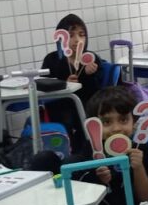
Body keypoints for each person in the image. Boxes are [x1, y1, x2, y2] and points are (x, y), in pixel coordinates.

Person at [65, 86, 148, 205]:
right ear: (93, 126)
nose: (116, 128)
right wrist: (98, 180)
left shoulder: (139, 149)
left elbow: (144, 195)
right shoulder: (92, 147)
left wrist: (138, 167)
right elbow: (78, 189)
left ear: (134, 122)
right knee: (52, 160)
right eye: (106, 122)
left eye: (123, 120)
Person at [41, 14, 104, 153]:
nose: (77, 40)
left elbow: (97, 92)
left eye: (82, 35)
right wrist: (64, 84)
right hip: (60, 106)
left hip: (87, 105)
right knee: (66, 117)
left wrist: (89, 75)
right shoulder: (52, 60)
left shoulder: (91, 58)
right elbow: (45, 85)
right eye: (71, 35)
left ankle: (86, 151)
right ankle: (69, 153)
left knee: (87, 116)